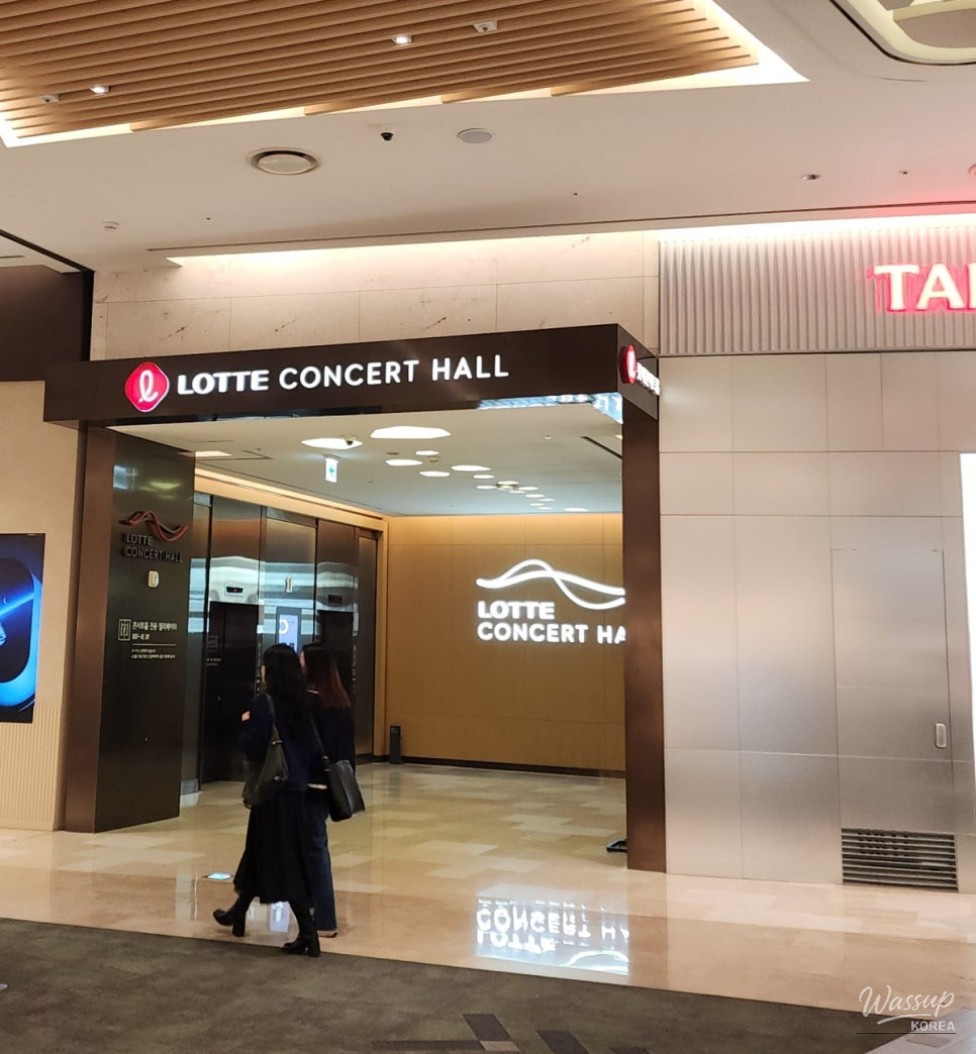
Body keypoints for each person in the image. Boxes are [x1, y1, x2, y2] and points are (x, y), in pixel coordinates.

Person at [213, 644, 321, 957]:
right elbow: (314, 747)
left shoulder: (264, 704)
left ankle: (309, 933)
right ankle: (238, 911)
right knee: (260, 852)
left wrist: (245, 721)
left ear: (270, 671)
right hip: (296, 791)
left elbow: (253, 744)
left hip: (272, 793)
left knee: (284, 861)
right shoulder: (302, 704)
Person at [301, 642, 356, 938]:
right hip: (330, 785)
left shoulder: (310, 702)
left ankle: (324, 918)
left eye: (302, 659)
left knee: (315, 850)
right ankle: (312, 908)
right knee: (315, 846)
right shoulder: (340, 701)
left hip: (310, 784)